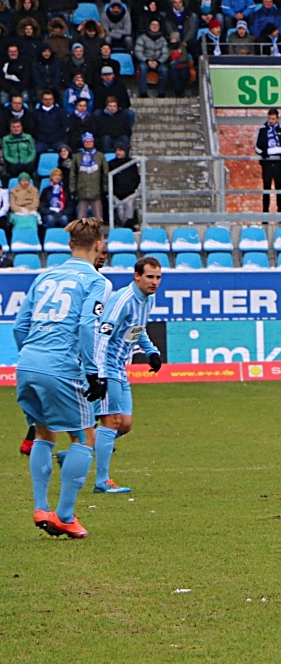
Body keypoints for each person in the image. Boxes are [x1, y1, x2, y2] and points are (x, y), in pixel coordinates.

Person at [15, 218, 109, 539]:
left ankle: (42, 507)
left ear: (69, 244)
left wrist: (32, 357)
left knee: (43, 434)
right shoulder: (97, 281)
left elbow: (18, 327)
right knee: (84, 438)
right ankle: (66, 515)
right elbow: (86, 326)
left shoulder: (44, 276)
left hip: (27, 362)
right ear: (99, 244)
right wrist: (93, 372)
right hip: (61, 365)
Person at [91, 256, 164, 495]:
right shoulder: (123, 300)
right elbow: (102, 335)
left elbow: (137, 330)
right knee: (111, 422)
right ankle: (102, 481)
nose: (154, 282)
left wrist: (151, 350)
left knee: (125, 425)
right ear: (137, 276)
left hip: (120, 367)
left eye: (158, 277)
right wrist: (99, 374)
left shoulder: (147, 300)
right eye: (150, 277)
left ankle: (77, 452)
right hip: (107, 365)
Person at [255, 108, 281, 213]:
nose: (271, 121)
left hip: (278, 163)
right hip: (266, 164)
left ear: (277, 119)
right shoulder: (263, 131)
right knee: (266, 187)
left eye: (273, 119)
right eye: (270, 118)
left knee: (279, 188)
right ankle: (265, 213)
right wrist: (264, 153)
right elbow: (257, 147)